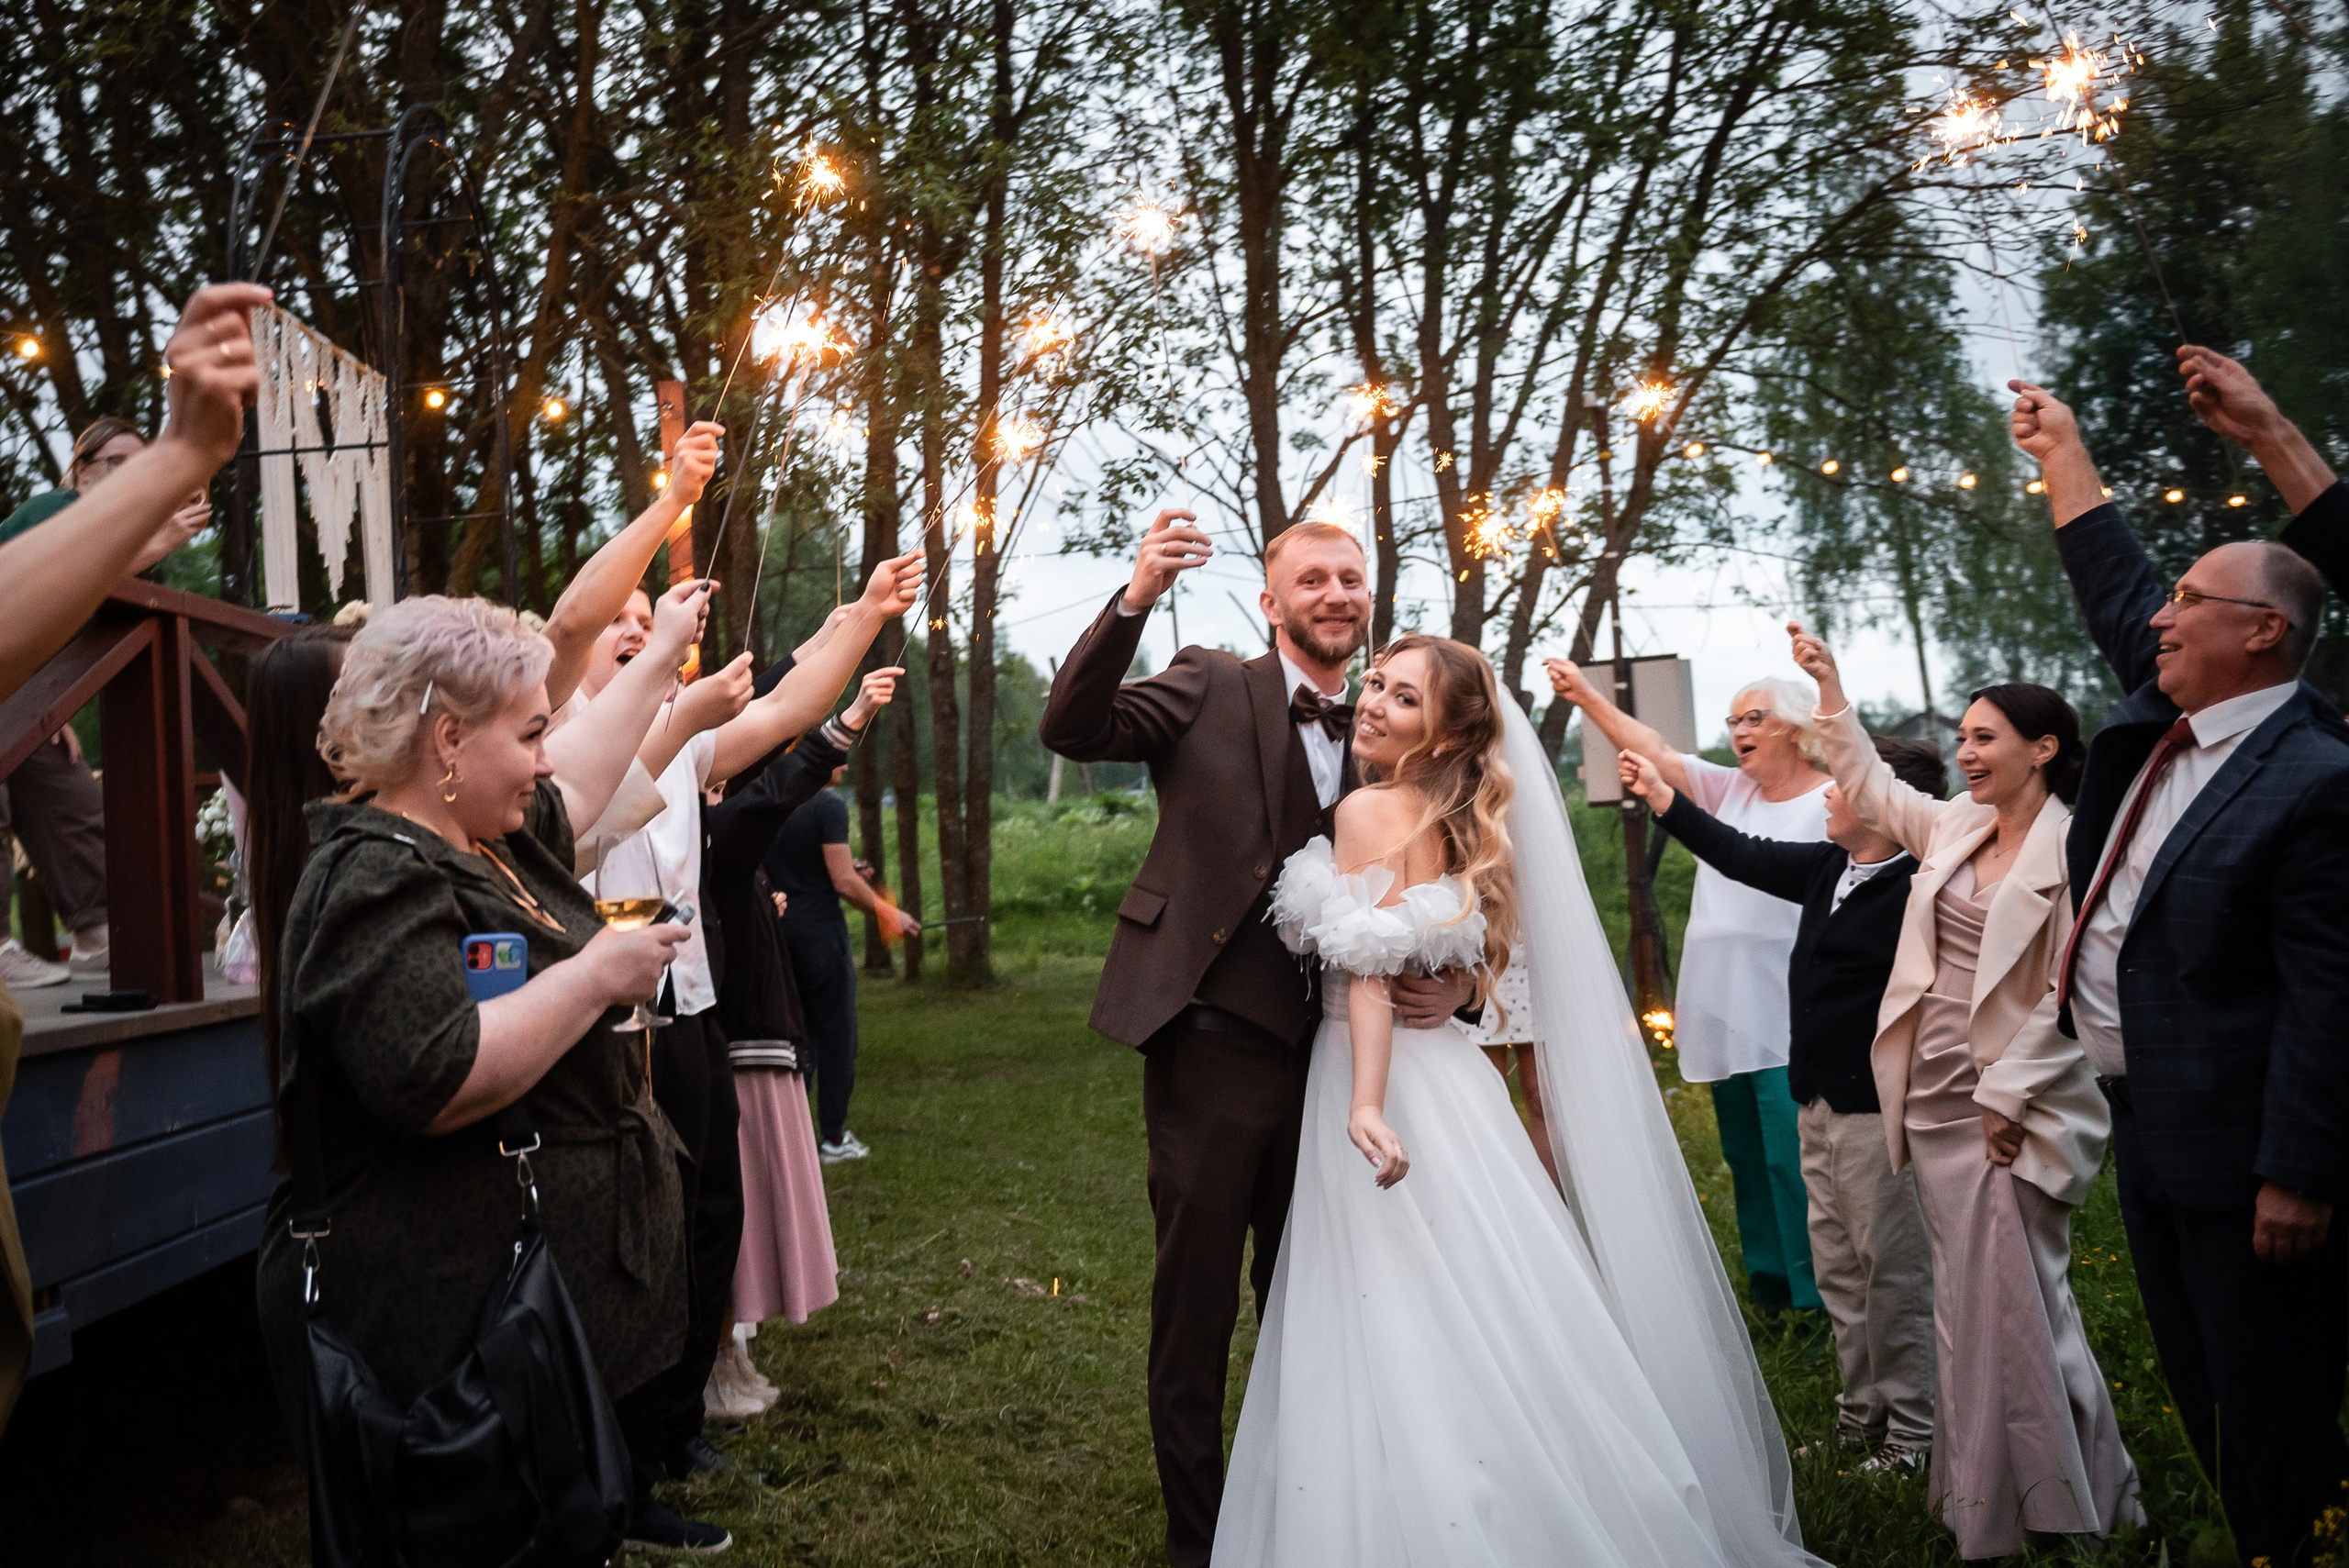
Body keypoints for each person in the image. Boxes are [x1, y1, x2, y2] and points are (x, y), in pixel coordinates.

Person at [1217, 635, 1826, 1568]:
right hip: (1455, 1080)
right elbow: (1480, 950)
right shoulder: (1457, 812)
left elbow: (1370, 973)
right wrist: (1460, 993)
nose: (1373, 703)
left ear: (1446, 727)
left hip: (1380, 1073)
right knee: (1493, 1277)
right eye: (1375, 683)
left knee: (1389, 1289)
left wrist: (1365, 1102)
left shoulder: (1371, 806)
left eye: (1402, 697)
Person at [1038, 512, 1470, 1568]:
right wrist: (1135, 593)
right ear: (1271, 602)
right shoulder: (1205, 681)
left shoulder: (1397, 732)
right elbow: (1073, 726)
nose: (1335, 594)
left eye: (1351, 579)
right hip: (1213, 1033)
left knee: (1313, 1288)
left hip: (1338, 1053)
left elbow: (1453, 880)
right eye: (1311, 579)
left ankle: (1308, 1513)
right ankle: (1200, 1537)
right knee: (1195, 1299)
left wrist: (1455, 973)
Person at [252, 595, 728, 1551]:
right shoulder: (378, 875)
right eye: (532, 732)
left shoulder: (481, 834)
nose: (548, 758)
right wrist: (596, 975)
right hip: (441, 1345)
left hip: (503, 1335)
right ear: (448, 740)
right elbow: (432, 1072)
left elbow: (584, 786)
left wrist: (661, 652)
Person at [2015, 378, 2349, 1568]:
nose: (2162, 616)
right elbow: (2118, 591)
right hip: (2147, 1128)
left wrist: (2301, 1171)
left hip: (2252, 1157)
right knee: (2208, 1389)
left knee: (2278, 1405)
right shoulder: (2162, 718)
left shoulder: (2317, 778)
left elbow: (2330, 998)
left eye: (2193, 599)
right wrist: (2065, 452)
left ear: (2263, 631)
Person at [1787, 621, 2141, 1556]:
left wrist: (2010, 1094)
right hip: (1926, 1094)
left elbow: (2075, 988)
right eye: (1963, 736)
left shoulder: (2075, 850)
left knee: (2023, 1306)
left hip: (2003, 1106)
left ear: (2044, 748)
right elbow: (1866, 782)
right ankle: (1982, 1498)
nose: (1966, 752)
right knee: (1961, 1306)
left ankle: (2083, 1499)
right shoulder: (1955, 824)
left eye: (1986, 737)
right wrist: (1828, 685)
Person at [579, 549, 919, 1496]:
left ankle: (676, 1425)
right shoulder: (558, 738)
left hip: (690, 1011)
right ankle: (615, 1443)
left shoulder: (684, 742)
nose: (636, 630)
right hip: (596, 1025)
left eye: (648, 619)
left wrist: (865, 613)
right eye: (617, 619)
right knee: (627, 1238)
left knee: (709, 1220)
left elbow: (787, 711)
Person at [0, 281, 269, 1434]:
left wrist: (170, 493)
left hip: (54, 718)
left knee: (61, 780)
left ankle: (115, 928)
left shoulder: (162, 535)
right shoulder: (29, 519)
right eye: (110, 469)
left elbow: (144, 617)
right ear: (76, 475)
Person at [1620, 737, 1943, 1473]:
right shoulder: (1829, 867)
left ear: (1881, 801)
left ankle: (1915, 1436)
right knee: (1838, 1266)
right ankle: (1862, 1418)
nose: (1825, 794)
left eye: (1840, 785)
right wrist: (1664, 797)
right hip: (1818, 1099)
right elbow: (1740, 853)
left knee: (1890, 1269)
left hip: (1876, 1110)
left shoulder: (1921, 887)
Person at [1545, 660, 1829, 1314]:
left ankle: (1818, 1300)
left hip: (1790, 1008)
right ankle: (1772, 1291)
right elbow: (1656, 751)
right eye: (1733, 720)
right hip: (1723, 1003)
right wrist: (1586, 695)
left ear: (1795, 725)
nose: (1739, 730)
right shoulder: (1731, 791)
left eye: (1753, 717)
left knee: (1794, 1161)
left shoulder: (1830, 799)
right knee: (1743, 1153)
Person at [705, 664, 901, 1415]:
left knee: (745, 1205)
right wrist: (845, 716)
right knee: (737, 1210)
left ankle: (732, 1353)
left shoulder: (719, 828)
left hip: (764, 1024)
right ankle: (719, 1358)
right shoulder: (714, 824)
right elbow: (777, 784)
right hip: (744, 1035)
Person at [0, 417, 219, 989]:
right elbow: (55, 585)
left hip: (16, 693)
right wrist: (161, 539)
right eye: (114, 466)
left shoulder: (141, 549)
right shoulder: (54, 511)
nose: (129, 478)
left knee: (69, 789)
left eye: (139, 468)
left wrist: (52, 705)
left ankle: (102, 933)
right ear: (80, 473)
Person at [764, 748, 918, 1162]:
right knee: (836, 1037)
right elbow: (843, 883)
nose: (848, 764)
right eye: (839, 756)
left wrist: (850, 868)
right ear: (817, 759)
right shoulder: (827, 807)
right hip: (820, 939)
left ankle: (790, 1140)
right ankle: (833, 1138)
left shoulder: (772, 799)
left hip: (778, 932)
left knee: (798, 1036)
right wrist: (891, 914)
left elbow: (809, 866)